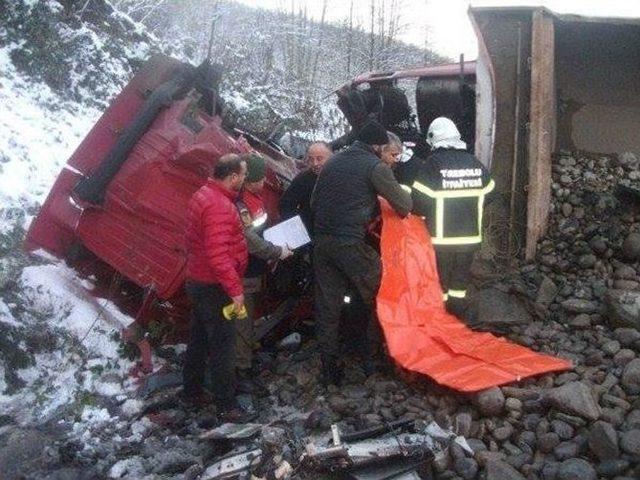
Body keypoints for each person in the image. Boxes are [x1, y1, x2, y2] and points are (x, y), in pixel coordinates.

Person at [311, 119, 413, 385]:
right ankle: (373, 359)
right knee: (384, 291)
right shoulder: (375, 166)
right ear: (378, 146)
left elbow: (314, 202)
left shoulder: (333, 161)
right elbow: (404, 205)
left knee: (328, 306)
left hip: (321, 243)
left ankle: (330, 370)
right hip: (351, 244)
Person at [182, 153, 253, 420]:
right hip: (215, 286)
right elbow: (218, 255)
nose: (245, 179)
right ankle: (226, 405)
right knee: (223, 344)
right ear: (233, 176)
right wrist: (235, 291)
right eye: (243, 174)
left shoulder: (203, 194)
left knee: (198, 339)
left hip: (198, 280)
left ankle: (192, 391)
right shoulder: (220, 207)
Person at [409, 117, 494, 317]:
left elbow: (417, 203)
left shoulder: (433, 164)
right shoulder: (474, 162)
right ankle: (458, 313)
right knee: (460, 278)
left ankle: (440, 316)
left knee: (441, 279)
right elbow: (491, 192)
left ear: (433, 139)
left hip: (441, 239)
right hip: (470, 237)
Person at [235, 152, 292, 380]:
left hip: (252, 270)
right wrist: (276, 251)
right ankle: (240, 368)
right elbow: (249, 240)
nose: (264, 183)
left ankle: (244, 355)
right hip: (243, 273)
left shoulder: (252, 198)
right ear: (250, 180)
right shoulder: (241, 203)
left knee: (245, 319)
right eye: (260, 179)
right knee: (241, 319)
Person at [279, 142, 333, 234]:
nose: (315, 163)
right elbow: (286, 205)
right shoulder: (303, 178)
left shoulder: (342, 177)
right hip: (309, 234)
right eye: (311, 159)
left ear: (331, 157)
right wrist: (298, 228)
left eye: (319, 159)